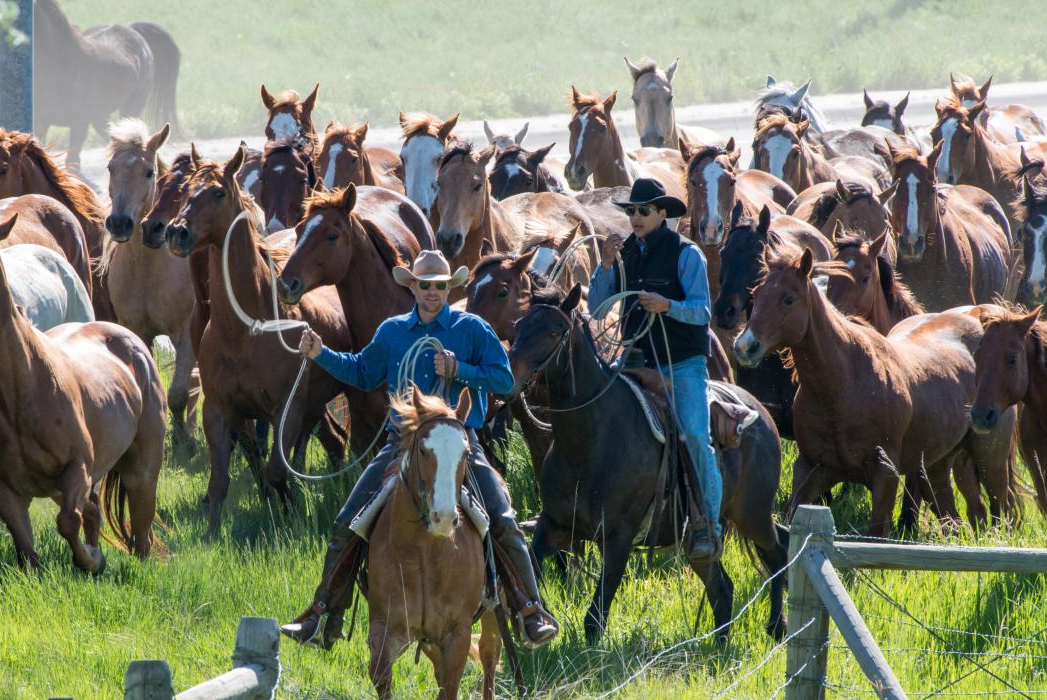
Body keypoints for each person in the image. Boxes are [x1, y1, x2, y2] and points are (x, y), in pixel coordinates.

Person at [281, 250, 559, 649]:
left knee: (502, 518)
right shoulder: (393, 332)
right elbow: (361, 371)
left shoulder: (473, 329)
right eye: (425, 285)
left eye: (440, 286)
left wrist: (460, 369)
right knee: (347, 522)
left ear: (449, 287)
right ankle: (323, 613)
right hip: (403, 443)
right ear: (412, 286)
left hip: (460, 442)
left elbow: (503, 381)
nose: (432, 293)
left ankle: (529, 611)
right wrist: (319, 353)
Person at [589, 177, 722, 562]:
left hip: (680, 364)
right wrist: (605, 265)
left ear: (662, 214)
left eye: (643, 211)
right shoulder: (625, 252)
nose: (635, 217)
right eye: (631, 210)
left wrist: (668, 306)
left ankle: (708, 525)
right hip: (633, 359)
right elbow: (598, 309)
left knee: (696, 435)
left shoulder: (687, 254)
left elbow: (702, 313)